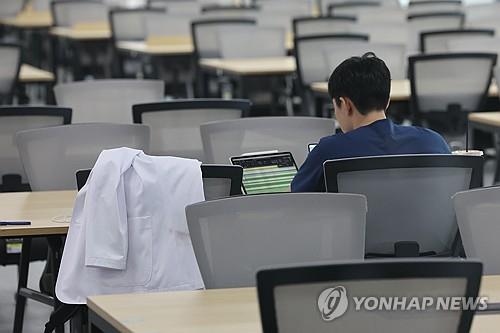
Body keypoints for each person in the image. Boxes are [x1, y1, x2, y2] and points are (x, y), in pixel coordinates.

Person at [291, 52, 451, 192]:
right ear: (387, 101)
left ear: (345, 104)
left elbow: (297, 200)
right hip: (424, 227)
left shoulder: (329, 151)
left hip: (355, 228)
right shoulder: (433, 142)